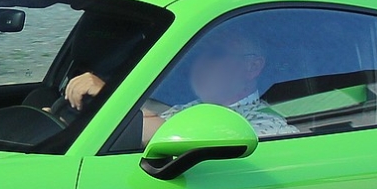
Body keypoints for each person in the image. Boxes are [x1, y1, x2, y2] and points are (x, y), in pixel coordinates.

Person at [57, 21, 293, 142]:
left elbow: (171, 136)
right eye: (198, 53)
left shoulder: (267, 127)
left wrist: (108, 94)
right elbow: (149, 122)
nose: (199, 63)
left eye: (215, 54)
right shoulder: (191, 108)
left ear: (252, 66)